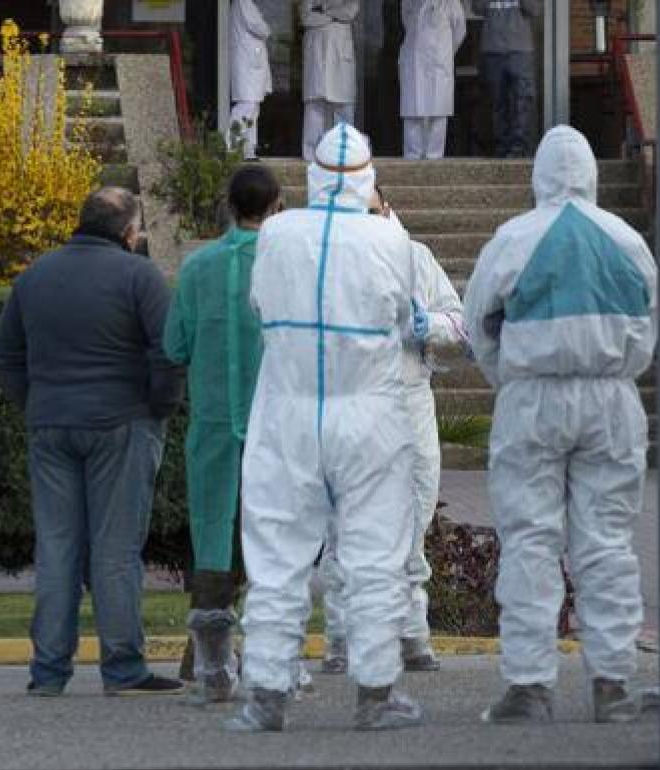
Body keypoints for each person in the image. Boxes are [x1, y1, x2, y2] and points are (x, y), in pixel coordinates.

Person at [228, 123, 424, 733]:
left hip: (287, 408)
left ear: (311, 178)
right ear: (368, 179)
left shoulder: (278, 234)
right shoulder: (390, 240)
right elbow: (408, 319)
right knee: (374, 553)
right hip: (368, 411)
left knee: (277, 554)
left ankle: (266, 693)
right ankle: (375, 692)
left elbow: (258, 307)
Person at [462, 126, 657, 723]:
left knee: (529, 540)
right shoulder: (626, 240)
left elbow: (477, 324)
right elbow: (649, 328)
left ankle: (529, 685)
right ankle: (612, 683)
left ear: (537, 176)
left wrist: (513, 379)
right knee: (607, 543)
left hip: (533, 400)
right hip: (610, 398)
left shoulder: (514, 238)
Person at [0, 187, 186, 697]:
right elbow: (167, 353)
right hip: (121, 422)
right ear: (127, 232)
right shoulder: (139, 276)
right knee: (116, 550)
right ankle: (122, 667)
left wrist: (36, 402)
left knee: (56, 548)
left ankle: (48, 670)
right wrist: (159, 407)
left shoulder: (35, 276)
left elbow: (4, 356)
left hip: (51, 424)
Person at [319, 186, 468, 675]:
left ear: (386, 210)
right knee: (346, 525)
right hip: (351, 402)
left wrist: (431, 326)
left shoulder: (417, 258)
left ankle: (411, 635)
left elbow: (458, 318)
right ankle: (341, 638)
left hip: (408, 401)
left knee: (413, 517)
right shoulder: (325, 265)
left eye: (371, 210)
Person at [162, 165, 283, 703]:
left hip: (212, 421)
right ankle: (268, 658)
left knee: (213, 529)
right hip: (274, 422)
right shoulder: (283, 266)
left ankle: (207, 656)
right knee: (275, 535)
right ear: (277, 206)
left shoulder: (197, 267)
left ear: (229, 206)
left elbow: (174, 345)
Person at [399, 0, 468, 160]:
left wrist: (445, 51)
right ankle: (412, 156)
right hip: (415, 58)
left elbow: (460, 30)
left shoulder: (451, 2)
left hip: (439, 60)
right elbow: (406, 22)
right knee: (413, 110)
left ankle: (434, 157)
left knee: (438, 112)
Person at [475, 0, 542, 158]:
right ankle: (501, 146)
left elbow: (535, 9)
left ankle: (520, 147)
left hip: (520, 50)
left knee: (522, 100)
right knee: (497, 101)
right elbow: (477, 8)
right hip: (492, 49)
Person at [300, 0, 360, 162]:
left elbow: (350, 12)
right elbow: (306, 18)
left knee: (343, 108)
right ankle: (311, 155)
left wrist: (323, 10)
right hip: (317, 54)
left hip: (340, 55)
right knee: (315, 107)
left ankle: (345, 155)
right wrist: (334, 15)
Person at [228, 0, 273, 160]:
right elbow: (259, 27)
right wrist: (268, 28)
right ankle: (232, 147)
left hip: (251, 65)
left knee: (252, 108)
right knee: (246, 106)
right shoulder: (243, 2)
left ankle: (248, 150)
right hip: (246, 64)